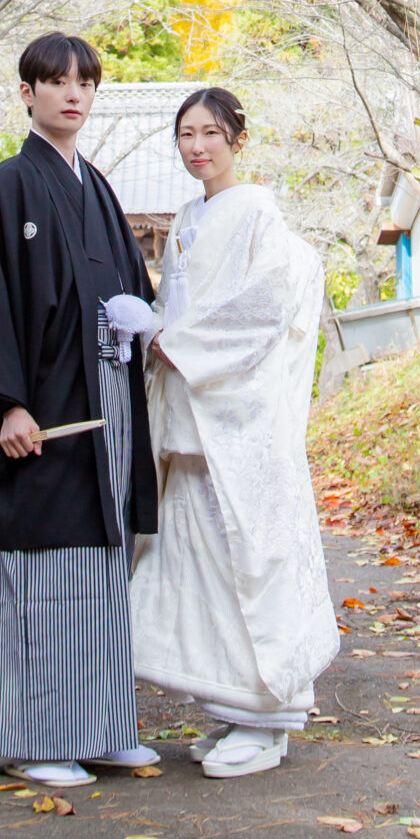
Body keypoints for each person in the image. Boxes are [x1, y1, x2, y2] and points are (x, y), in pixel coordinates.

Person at [0, 32, 161, 790]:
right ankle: (34, 736)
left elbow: (131, 288)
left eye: (85, 83)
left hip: (106, 401)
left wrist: (140, 322)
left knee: (102, 565)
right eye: (57, 82)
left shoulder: (96, 186)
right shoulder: (8, 187)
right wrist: (5, 404)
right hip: (43, 408)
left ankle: (102, 727)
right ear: (28, 93)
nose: (74, 94)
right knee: (43, 568)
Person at [130, 87, 338, 778]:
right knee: (199, 570)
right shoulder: (189, 215)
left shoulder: (257, 212)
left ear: (236, 141)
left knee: (247, 561)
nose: (197, 147)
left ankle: (269, 719)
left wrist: (174, 341)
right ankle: (234, 708)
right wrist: (156, 328)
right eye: (185, 134)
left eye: (210, 134)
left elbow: (265, 304)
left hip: (237, 419)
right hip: (192, 416)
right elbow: (180, 302)